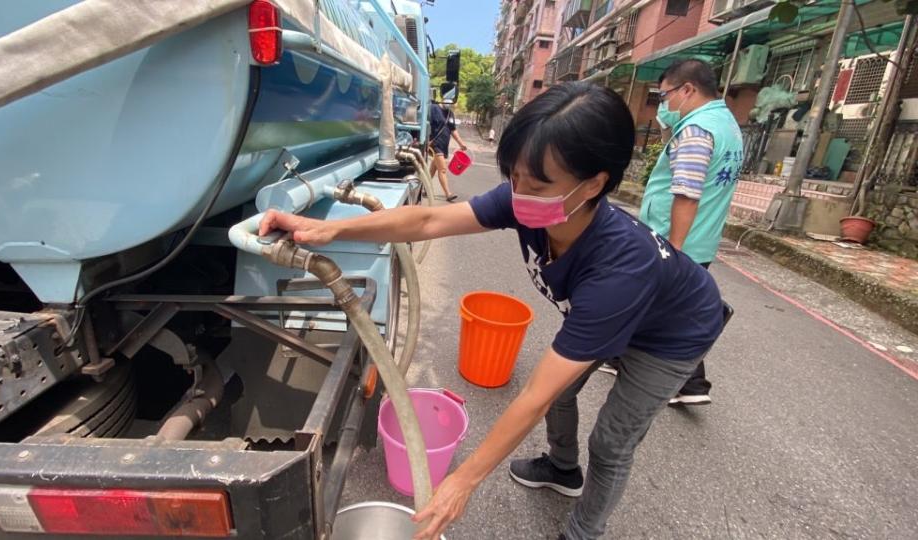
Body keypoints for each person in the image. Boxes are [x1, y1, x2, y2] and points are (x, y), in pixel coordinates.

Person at [257, 82, 725, 539]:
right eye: (514, 176)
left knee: (611, 443)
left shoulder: (619, 268)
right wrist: (322, 229)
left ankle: (585, 531)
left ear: (595, 183)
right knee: (564, 394)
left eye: (537, 183)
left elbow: (531, 396)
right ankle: (562, 469)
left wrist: (463, 481)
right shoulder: (530, 202)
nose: (518, 193)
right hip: (618, 311)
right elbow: (429, 218)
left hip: (671, 334)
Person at [598, 59, 742, 407]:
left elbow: (687, 193)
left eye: (665, 96)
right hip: (701, 239)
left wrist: (673, 251)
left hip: (673, 239)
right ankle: (628, 360)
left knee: (661, 307)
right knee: (663, 306)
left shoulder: (697, 131)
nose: (663, 104)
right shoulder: (726, 125)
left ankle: (691, 381)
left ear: (688, 89)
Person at [429, 100, 468, 201]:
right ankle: (448, 194)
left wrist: (461, 143)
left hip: (444, 145)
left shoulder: (450, 113)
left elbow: (452, 129)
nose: (450, 104)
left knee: (433, 168)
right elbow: (426, 123)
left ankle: (424, 187)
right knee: (442, 169)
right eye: (449, 102)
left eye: (452, 103)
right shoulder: (433, 108)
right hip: (434, 144)